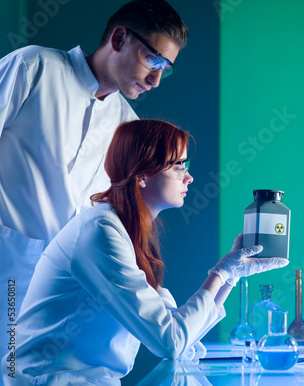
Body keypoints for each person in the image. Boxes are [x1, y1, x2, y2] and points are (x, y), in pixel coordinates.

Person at [1, 119, 288, 385]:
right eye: (178, 167)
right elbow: (170, 342)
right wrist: (221, 272)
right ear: (141, 176)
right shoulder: (100, 233)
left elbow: (180, 331)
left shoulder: (129, 231)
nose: (189, 178)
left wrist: (230, 276)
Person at [0, 0, 188, 362]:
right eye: (153, 60)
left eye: (166, 68)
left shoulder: (126, 126)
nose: (156, 80)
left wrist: (166, 311)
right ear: (118, 38)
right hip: (7, 268)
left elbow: (126, 220)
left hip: (60, 293)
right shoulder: (34, 68)